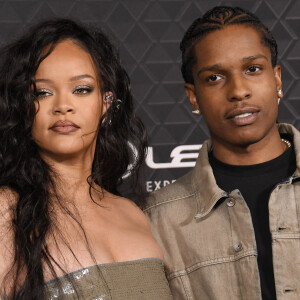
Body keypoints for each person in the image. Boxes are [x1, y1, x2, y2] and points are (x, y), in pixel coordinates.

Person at [0, 19, 172, 300]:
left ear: (105, 105)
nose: (63, 106)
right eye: (43, 92)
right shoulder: (8, 212)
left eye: (81, 89)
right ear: (23, 107)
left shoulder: (133, 214)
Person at [144, 6, 300, 300]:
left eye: (252, 69)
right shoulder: (159, 219)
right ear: (194, 96)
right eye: (215, 77)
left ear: (277, 79)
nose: (238, 91)